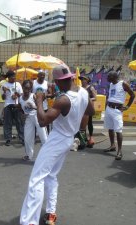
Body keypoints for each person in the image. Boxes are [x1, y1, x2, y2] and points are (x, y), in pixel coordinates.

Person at [20, 65, 94, 225]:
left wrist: (39, 101)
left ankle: (29, 222)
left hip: (58, 139)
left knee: (36, 179)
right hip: (68, 139)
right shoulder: (82, 92)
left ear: (59, 81)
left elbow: (42, 120)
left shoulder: (64, 99)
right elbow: (91, 111)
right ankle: (50, 213)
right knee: (51, 176)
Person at [104, 71, 135, 160]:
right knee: (110, 128)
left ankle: (120, 151)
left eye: (109, 76)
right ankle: (112, 145)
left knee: (118, 130)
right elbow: (109, 95)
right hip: (109, 108)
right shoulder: (110, 84)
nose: (107, 78)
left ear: (114, 77)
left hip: (117, 109)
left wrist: (127, 106)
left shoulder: (123, 84)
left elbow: (132, 95)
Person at [19, 80, 47, 161]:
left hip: (37, 117)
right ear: (22, 87)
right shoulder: (20, 98)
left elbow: (40, 107)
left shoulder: (33, 96)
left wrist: (34, 107)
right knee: (27, 138)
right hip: (28, 118)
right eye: (25, 88)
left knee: (43, 137)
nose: (26, 90)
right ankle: (29, 155)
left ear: (31, 88)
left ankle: (46, 156)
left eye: (28, 88)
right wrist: (22, 114)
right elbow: (20, 108)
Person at [2, 70, 24, 146]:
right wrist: (4, 92)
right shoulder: (4, 85)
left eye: (14, 76)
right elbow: (3, 98)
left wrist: (16, 95)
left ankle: (22, 138)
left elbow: (21, 94)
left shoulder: (17, 84)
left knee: (19, 123)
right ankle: (8, 139)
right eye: (12, 76)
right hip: (7, 105)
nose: (14, 78)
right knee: (7, 123)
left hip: (16, 105)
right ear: (8, 77)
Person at [79, 74, 97, 147]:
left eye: (83, 79)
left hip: (88, 107)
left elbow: (95, 98)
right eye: (81, 79)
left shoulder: (91, 88)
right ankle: (84, 138)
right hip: (81, 108)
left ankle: (91, 137)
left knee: (89, 122)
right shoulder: (80, 88)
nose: (82, 81)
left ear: (87, 80)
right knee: (82, 123)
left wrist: (87, 99)